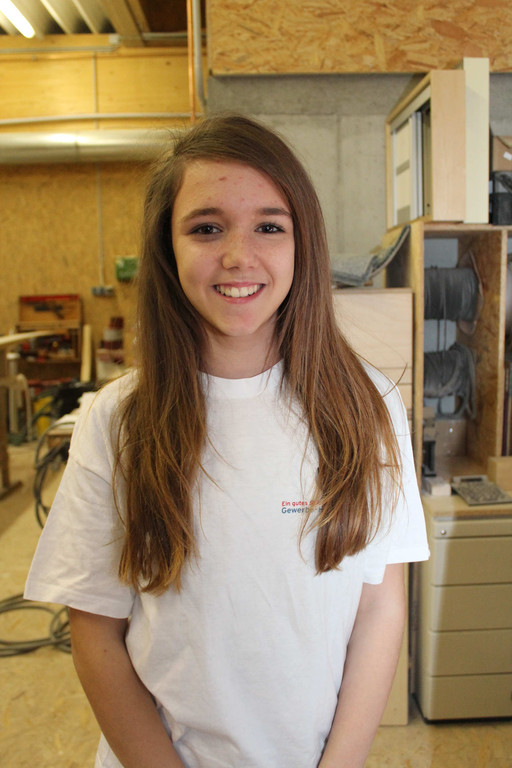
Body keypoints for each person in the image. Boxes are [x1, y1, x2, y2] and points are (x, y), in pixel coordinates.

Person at [25, 114, 429, 768]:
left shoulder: (367, 407)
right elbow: (96, 627)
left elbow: (380, 604)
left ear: (304, 245)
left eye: (270, 227)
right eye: (207, 228)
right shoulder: (118, 419)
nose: (239, 256)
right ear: (167, 248)